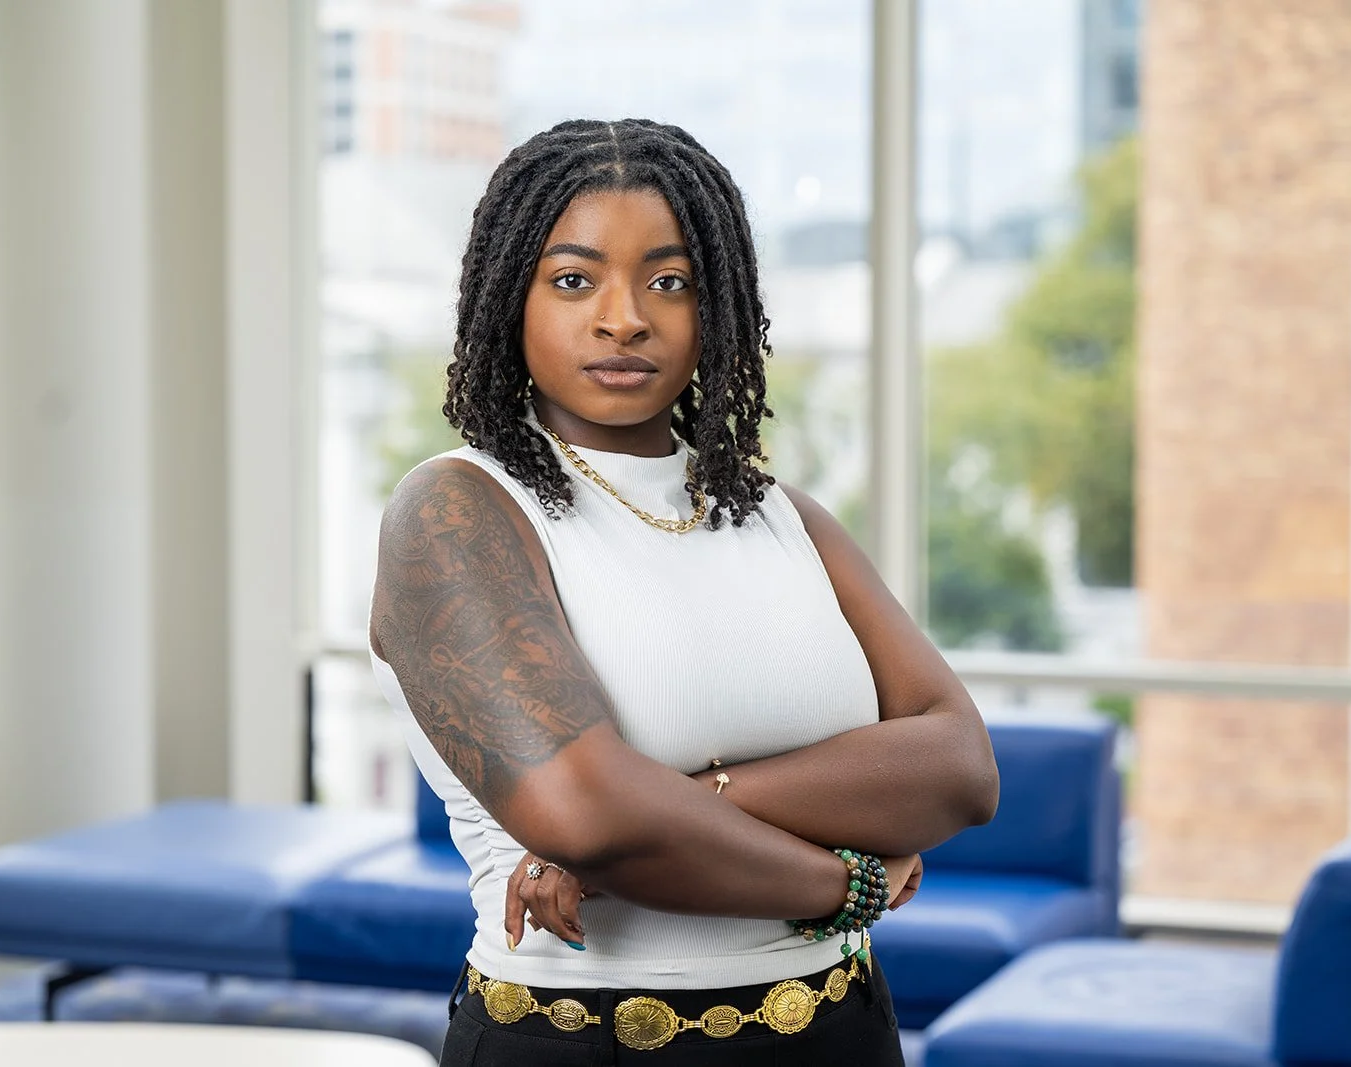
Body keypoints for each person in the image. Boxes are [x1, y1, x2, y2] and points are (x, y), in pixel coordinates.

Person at [369, 118, 999, 1066]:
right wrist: (847, 882)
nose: (624, 318)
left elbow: (959, 765)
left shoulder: (783, 515)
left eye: (670, 281)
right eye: (573, 280)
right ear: (509, 298)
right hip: (587, 1041)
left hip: (844, 1028)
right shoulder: (457, 513)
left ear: (719, 306)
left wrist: (687, 802)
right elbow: (587, 815)